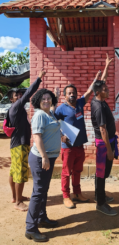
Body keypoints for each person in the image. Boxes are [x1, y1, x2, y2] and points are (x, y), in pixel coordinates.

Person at [55, 70, 102, 209]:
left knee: (77, 170)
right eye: (69, 93)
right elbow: (52, 124)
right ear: (64, 96)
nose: (72, 95)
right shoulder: (60, 109)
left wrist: (96, 78)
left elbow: (89, 91)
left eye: (73, 93)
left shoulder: (80, 103)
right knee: (66, 172)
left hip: (79, 145)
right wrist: (60, 135)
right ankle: (66, 196)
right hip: (68, 147)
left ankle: (77, 193)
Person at [25, 88, 65, 242]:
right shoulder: (40, 115)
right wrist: (44, 157)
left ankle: (41, 218)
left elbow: (53, 114)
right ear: (38, 101)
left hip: (49, 157)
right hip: (41, 158)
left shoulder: (49, 113)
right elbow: (37, 136)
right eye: (44, 99)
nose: (47, 101)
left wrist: (57, 97)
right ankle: (30, 228)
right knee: (38, 192)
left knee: (43, 190)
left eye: (49, 99)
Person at [8, 69, 46, 212]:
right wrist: (38, 79)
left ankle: (15, 197)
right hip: (20, 145)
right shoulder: (17, 106)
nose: (19, 95)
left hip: (15, 144)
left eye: (19, 93)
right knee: (20, 173)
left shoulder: (14, 109)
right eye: (16, 95)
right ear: (12, 99)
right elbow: (29, 93)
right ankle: (18, 202)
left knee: (13, 171)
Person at [91, 54, 118, 216]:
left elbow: (102, 82)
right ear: (99, 92)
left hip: (107, 142)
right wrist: (109, 149)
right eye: (105, 89)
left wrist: (106, 66)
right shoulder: (98, 107)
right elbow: (102, 130)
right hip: (103, 145)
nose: (107, 90)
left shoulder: (99, 99)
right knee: (101, 173)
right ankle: (100, 203)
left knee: (103, 172)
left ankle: (98, 195)